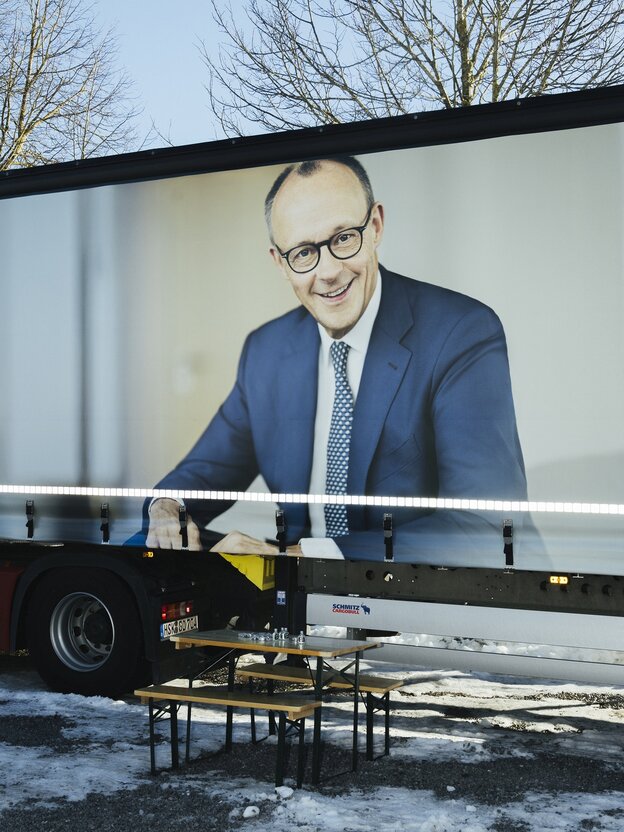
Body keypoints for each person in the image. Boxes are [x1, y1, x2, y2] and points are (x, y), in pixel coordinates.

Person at [145, 156, 529, 562]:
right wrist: (166, 508)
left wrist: (296, 556)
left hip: (437, 605)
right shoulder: (267, 351)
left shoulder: (460, 332)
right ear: (280, 262)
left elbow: (484, 527)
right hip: (304, 609)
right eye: (304, 252)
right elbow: (202, 473)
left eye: (343, 238)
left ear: (376, 226)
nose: (327, 272)